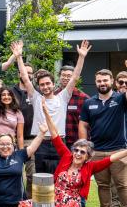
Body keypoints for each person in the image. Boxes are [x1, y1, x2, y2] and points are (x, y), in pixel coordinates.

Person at [19, 101, 127, 207]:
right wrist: (46, 111)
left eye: (82, 152)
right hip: (53, 198)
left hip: (70, 205)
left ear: (87, 157)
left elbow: (112, 158)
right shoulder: (66, 156)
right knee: (23, 206)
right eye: (76, 150)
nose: (77, 153)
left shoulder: (90, 167)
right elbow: (55, 134)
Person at [14, 39, 90, 173]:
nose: (45, 86)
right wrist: (19, 57)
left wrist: (82, 57)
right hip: (40, 142)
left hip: (59, 142)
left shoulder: (63, 97)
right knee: (41, 178)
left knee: (59, 176)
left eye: (48, 83)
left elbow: (75, 77)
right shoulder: (36, 97)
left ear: (53, 84)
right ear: (39, 86)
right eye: (42, 84)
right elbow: (25, 78)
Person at [78, 69, 127, 207]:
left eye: (105, 80)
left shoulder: (120, 99)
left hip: (118, 150)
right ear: (95, 82)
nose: (102, 83)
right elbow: (83, 124)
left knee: (122, 185)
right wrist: (85, 146)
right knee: (102, 185)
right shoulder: (89, 102)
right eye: (99, 81)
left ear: (112, 81)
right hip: (97, 151)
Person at [11, 61, 35, 197]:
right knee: (14, 174)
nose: (28, 75)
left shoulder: (35, 92)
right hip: (12, 140)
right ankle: (16, 201)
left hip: (31, 140)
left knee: (32, 175)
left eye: (30, 73)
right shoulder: (10, 92)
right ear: (19, 73)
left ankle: (29, 202)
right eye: (25, 72)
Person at [56, 65, 89, 147]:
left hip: (76, 143)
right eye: (63, 75)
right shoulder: (54, 96)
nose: (65, 78)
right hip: (57, 142)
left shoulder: (84, 98)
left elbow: (89, 123)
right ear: (59, 77)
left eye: (69, 76)